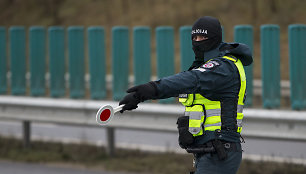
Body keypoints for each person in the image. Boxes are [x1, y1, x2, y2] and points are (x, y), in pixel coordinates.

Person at [119, 16, 253, 174]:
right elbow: (185, 84)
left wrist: (151, 88)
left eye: (203, 37)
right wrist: (139, 96)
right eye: (194, 37)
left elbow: (190, 80)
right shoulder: (207, 67)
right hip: (209, 152)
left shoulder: (223, 67)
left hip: (221, 152)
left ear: (216, 38)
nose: (198, 41)